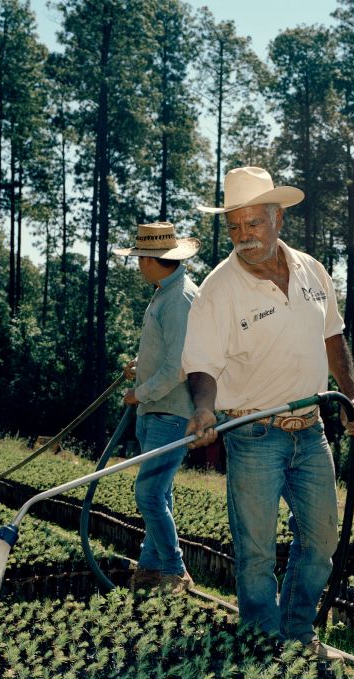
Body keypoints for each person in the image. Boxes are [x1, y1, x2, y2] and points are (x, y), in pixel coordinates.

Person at [182, 166, 354, 658]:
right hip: (253, 434)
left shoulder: (311, 270)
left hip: (311, 433)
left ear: (277, 217)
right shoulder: (218, 290)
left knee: (322, 540)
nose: (244, 236)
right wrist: (204, 410)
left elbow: (333, 336)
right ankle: (262, 641)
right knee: (257, 551)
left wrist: (351, 395)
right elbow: (201, 364)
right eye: (234, 226)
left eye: (253, 224)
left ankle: (299, 630)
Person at [114, 221, 200, 593]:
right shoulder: (164, 293)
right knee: (158, 494)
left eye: (138, 258)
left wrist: (140, 392)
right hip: (156, 409)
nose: (136, 264)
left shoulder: (179, 298)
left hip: (169, 410)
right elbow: (164, 351)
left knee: (148, 494)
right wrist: (139, 366)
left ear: (151, 259)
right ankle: (149, 568)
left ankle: (175, 569)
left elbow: (178, 366)